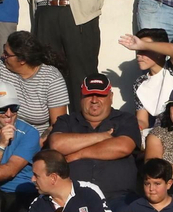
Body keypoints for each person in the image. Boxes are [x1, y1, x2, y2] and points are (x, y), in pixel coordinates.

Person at [47, 75, 141, 205]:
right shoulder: (67, 121)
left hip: (119, 198)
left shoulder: (125, 119)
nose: (94, 100)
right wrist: (101, 137)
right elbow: (57, 144)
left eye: (100, 95)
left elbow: (123, 147)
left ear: (111, 97)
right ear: (81, 97)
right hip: (73, 198)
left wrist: (78, 154)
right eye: (89, 95)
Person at [0, 31, 69, 140]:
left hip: (35, 138)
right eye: (4, 50)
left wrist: (36, 144)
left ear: (22, 60)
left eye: (7, 54)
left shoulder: (51, 78)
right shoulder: (1, 65)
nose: (3, 56)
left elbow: (57, 125)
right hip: (0, 130)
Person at [25, 149, 112, 212]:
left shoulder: (89, 191)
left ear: (53, 178)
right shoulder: (38, 205)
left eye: (36, 176)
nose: (32, 180)